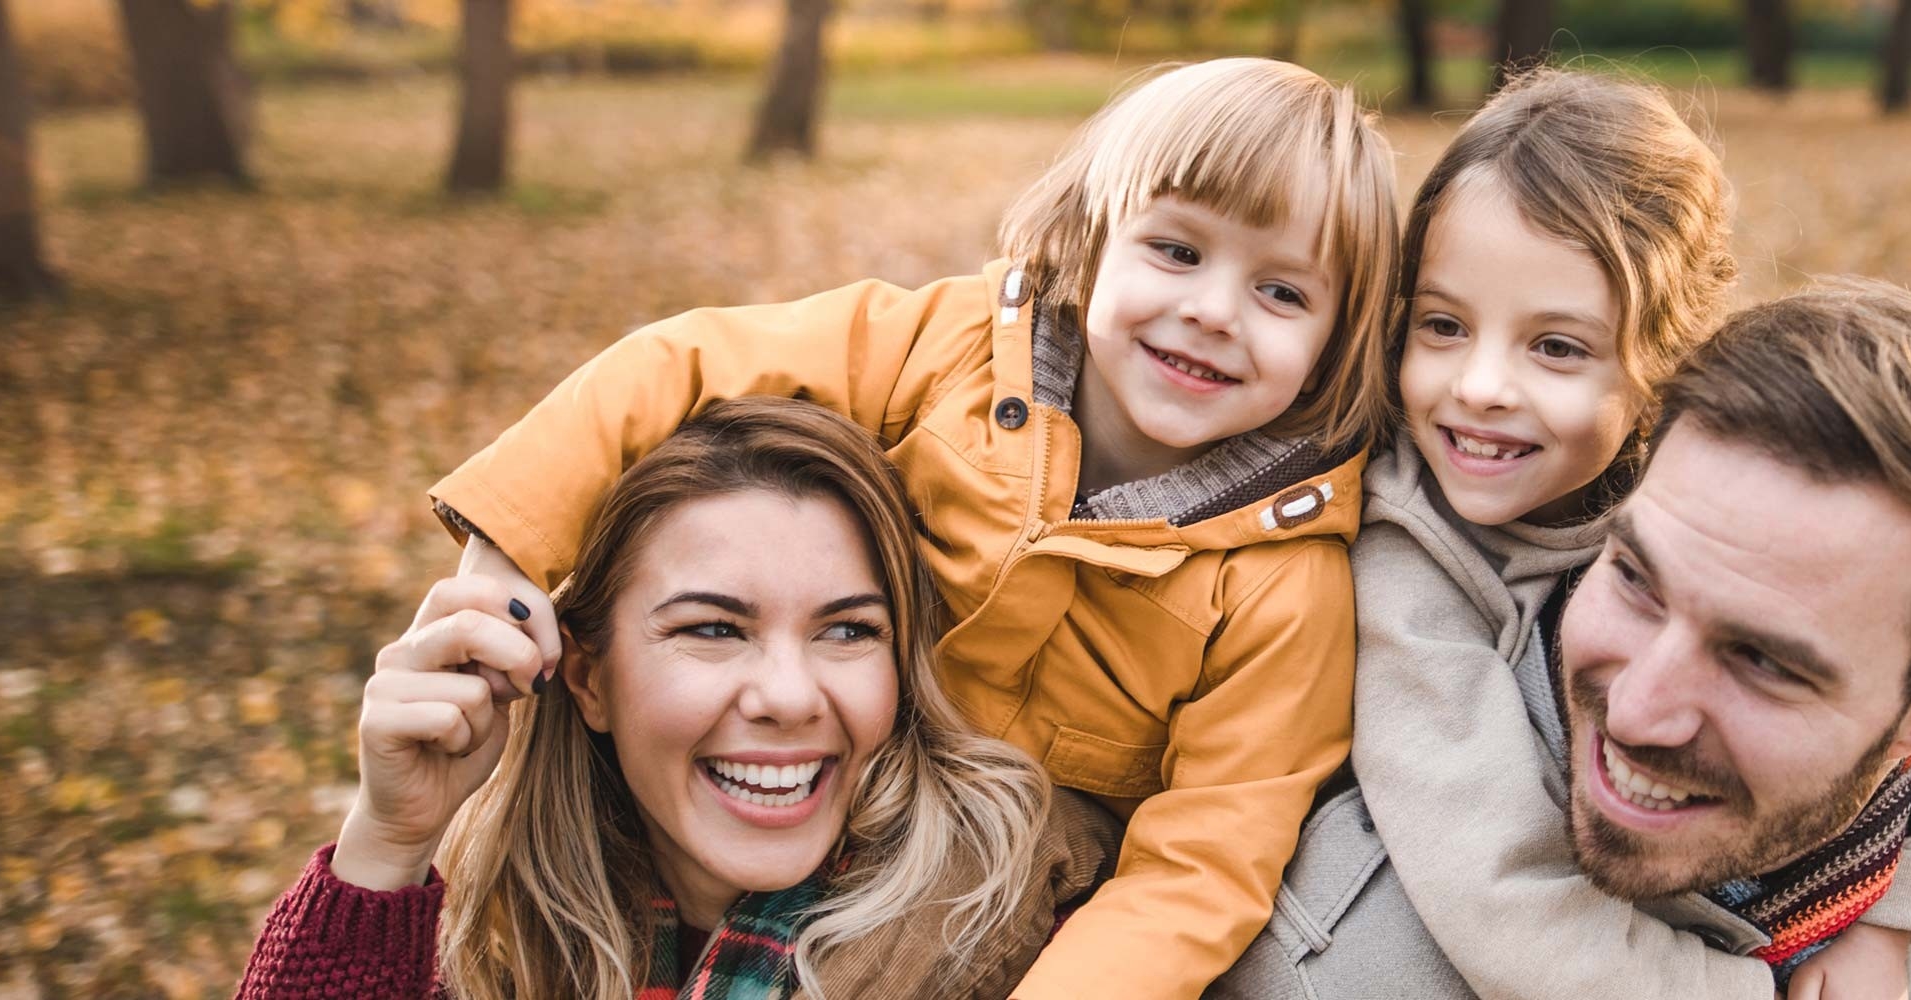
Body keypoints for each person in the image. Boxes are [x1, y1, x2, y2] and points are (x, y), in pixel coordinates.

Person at [414, 58, 1402, 999]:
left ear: (1331, 345)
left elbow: (1207, 861)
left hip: (1026, 831)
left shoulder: (1285, 575)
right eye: (1177, 251)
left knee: (913, 923)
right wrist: (509, 548)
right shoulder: (954, 348)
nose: (1214, 311)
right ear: (1094, 240)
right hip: (849, 737)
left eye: (1282, 291)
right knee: (607, 828)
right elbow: (684, 360)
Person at [1221, 274, 1911, 1000]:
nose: (1635, 714)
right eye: (1634, 577)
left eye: (1763, 660)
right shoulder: (1349, 972)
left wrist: (1907, 913)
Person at [235, 397, 1099, 1000]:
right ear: (585, 677)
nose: (790, 696)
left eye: (848, 631)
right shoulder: (520, 936)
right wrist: (388, 844)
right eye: (715, 629)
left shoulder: (1040, 938)